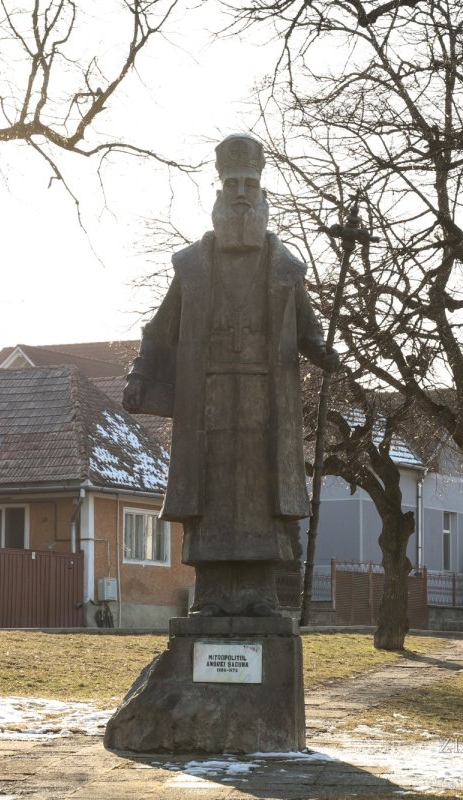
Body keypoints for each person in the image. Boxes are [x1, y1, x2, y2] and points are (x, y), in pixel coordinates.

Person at [123, 133, 337, 617]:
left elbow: (308, 330)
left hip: (267, 402)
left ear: (263, 195)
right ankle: (215, 593)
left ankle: (259, 594)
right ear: (219, 193)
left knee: (261, 495)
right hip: (209, 400)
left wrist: (324, 352)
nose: (241, 191)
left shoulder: (285, 268)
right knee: (214, 492)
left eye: (250, 183)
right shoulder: (193, 266)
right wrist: (140, 374)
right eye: (233, 183)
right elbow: (160, 330)